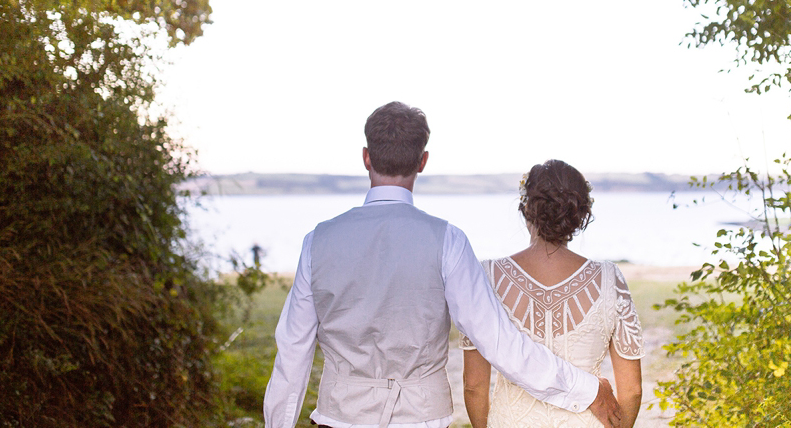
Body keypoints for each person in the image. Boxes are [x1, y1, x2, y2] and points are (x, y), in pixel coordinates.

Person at [263, 102, 622, 428]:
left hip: (339, 416)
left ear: (366, 157)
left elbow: (292, 354)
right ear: (422, 161)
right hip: (421, 419)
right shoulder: (447, 240)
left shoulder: (319, 241)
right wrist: (586, 389)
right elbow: (499, 342)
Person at [461, 159, 644, 428]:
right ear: (579, 214)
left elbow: (474, 385)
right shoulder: (610, 279)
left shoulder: (487, 276)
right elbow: (632, 390)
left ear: (526, 209)